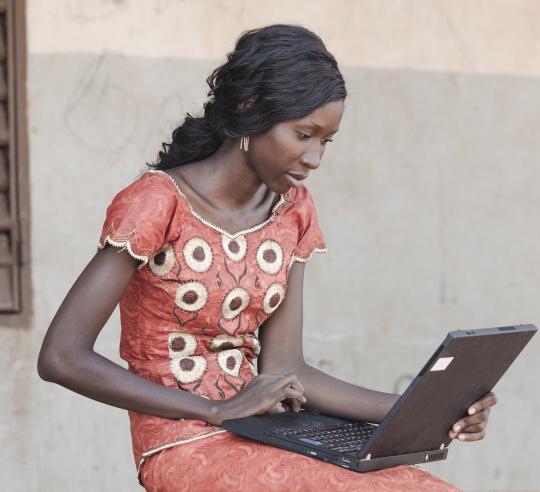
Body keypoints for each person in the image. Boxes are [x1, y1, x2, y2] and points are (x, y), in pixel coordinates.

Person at [37, 25, 497, 491]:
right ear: (248, 110)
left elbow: (285, 369)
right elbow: (61, 356)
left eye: (326, 141)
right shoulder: (158, 203)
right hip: (183, 445)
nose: (315, 157)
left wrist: (427, 409)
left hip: (270, 434)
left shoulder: (292, 209)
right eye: (304, 134)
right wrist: (216, 410)